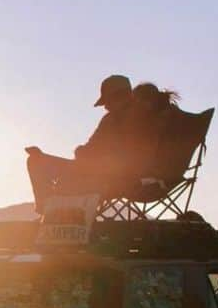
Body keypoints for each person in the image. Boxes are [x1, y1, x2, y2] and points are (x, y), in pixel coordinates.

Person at [25, 74, 137, 212]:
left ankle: (51, 211)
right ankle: (47, 208)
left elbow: (127, 160)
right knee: (36, 161)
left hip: (106, 177)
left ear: (120, 97)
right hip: (86, 169)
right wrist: (83, 156)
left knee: (63, 177)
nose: (106, 107)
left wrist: (86, 158)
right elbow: (90, 148)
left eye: (108, 101)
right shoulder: (109, 120)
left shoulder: (140, 120)